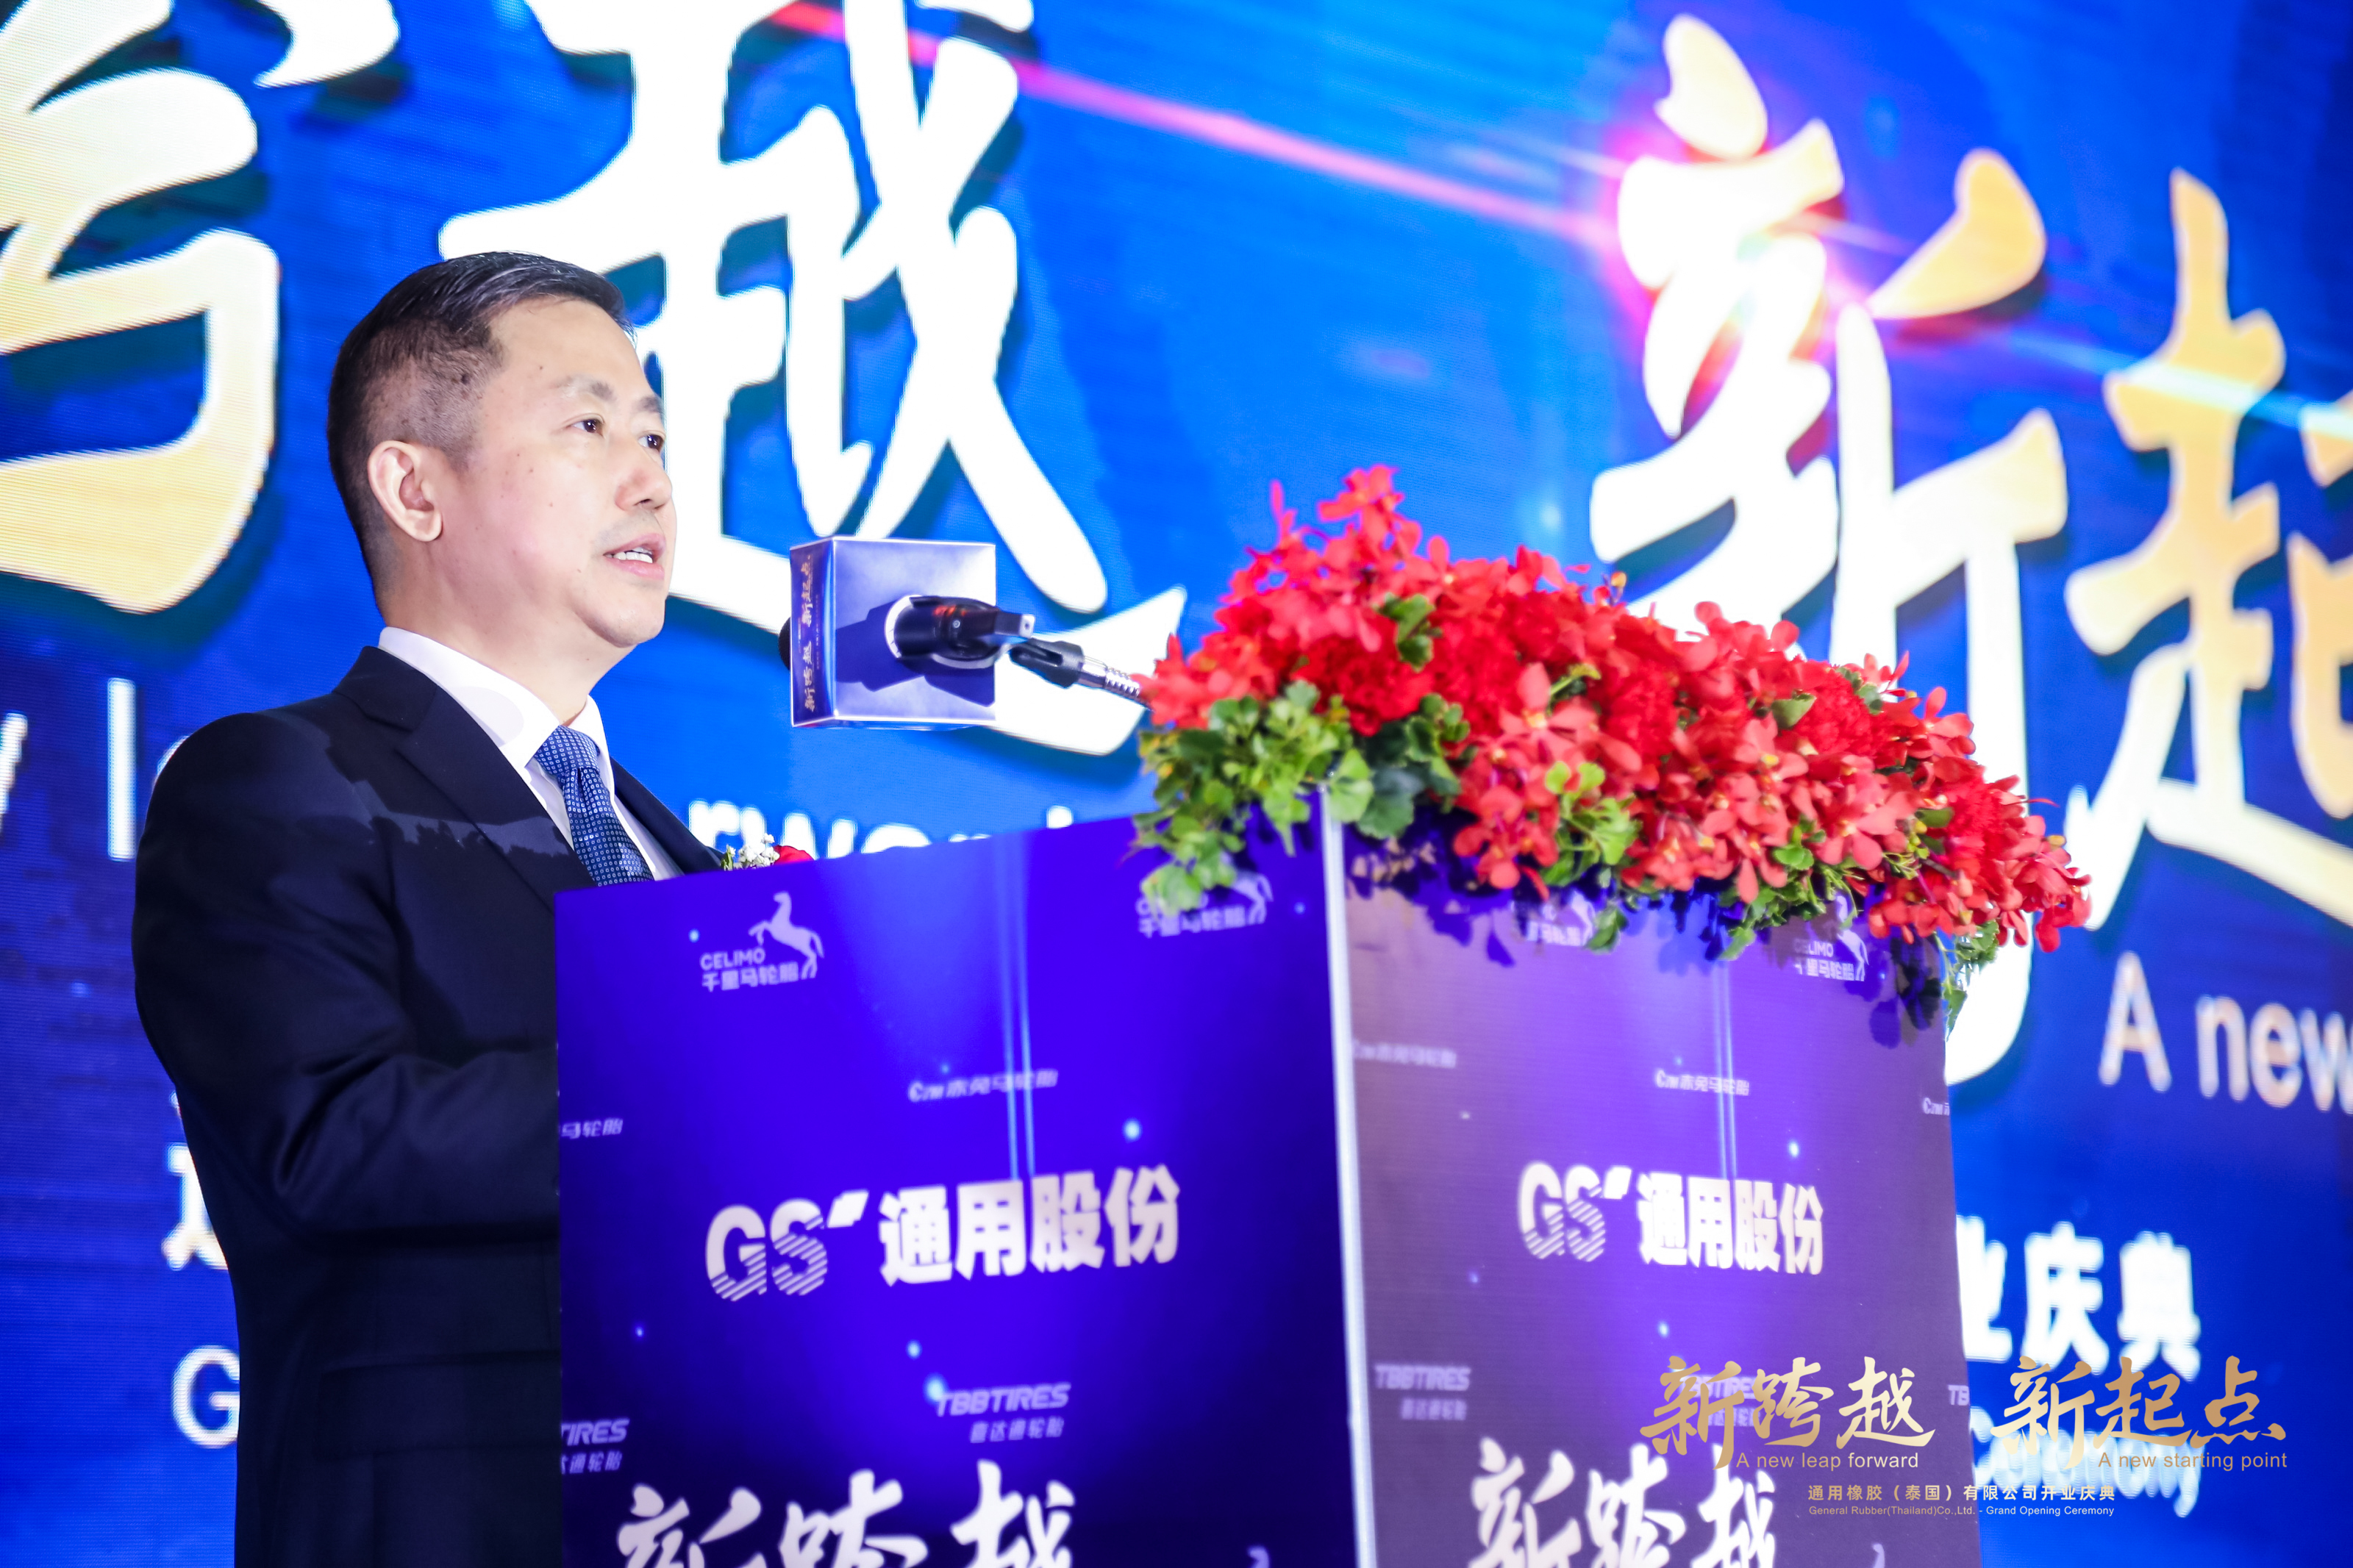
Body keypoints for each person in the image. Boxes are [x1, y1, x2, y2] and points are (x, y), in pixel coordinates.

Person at [134, 253, 745, 1565]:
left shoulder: (672, 849)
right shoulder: (278, 779)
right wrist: (705, 1081)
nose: (651, 480)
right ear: (415, 488)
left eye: (654, 437)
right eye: (589, 426)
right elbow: (328, 1136)